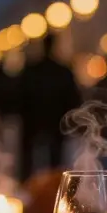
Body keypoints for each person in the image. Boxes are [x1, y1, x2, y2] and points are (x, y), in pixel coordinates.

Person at [17, 33, 82, 179]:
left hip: (35, 121)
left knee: (31, 160)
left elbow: (20, 96)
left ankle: (34, 186)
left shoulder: (32, 70)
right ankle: (51, 187)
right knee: (54, 160)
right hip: (54, 121)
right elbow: (73, 98)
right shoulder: (62, 71)